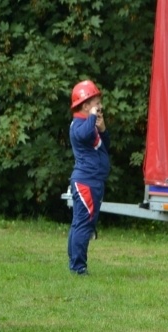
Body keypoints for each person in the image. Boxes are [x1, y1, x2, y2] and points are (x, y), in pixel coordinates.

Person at [67, 79, 110, 275]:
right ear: (85, 105)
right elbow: (84, 136)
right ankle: (78, 268)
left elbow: (103, 146)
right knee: (83, 225)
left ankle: (75, 265)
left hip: (94, 181)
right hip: (86, 181)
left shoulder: (89, 124)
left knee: (81, 223)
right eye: (96, 103)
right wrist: (92, 119)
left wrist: (103, 130)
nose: (99, 106)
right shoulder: (78, 124)